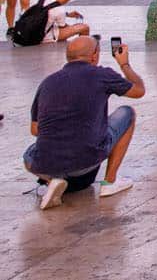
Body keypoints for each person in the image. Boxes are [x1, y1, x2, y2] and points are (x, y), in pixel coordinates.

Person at [25, 35, 146, 209]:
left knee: (28, 154)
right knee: (127, 113)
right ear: (94, 55)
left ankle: (53, 180)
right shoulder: (102, 75)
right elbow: (139, 90)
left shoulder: (47, 82)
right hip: (85, 162)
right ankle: (110, 182)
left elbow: (35, 129)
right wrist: (124, 64)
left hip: (45, 164)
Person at [11, 0, 91, 46]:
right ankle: (84, 46)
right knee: (84, 27)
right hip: (44, 37)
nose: (66, 2)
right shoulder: (59, 9)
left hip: (26, 31)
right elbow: (62, 27)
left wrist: (67, 14)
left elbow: (43, 12)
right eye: (68, 0)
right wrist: (74, 26)